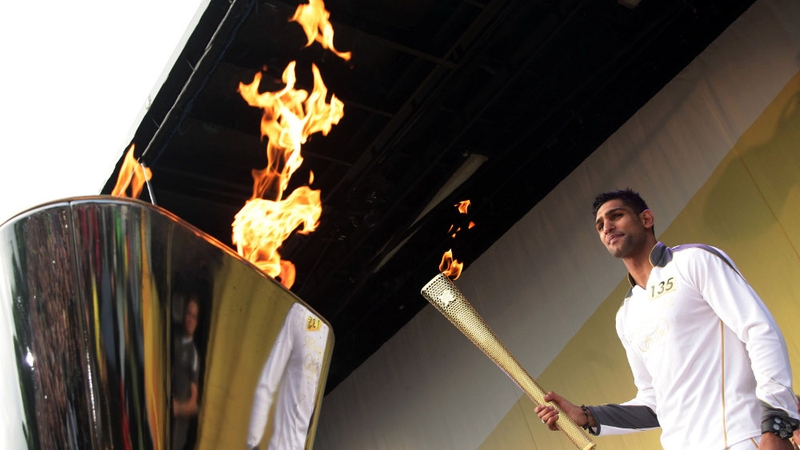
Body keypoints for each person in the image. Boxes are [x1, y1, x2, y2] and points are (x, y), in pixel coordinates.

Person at [536, 188, 799, 450]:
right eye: (600, 225)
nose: (607, 227)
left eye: (616, 215)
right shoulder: (625, 315)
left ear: (646, 219)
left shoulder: (694, 260)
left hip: (742, 436)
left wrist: (776, 424)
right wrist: (586, 416)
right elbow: (654, 403)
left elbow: (760, 332)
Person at [172, 295, 200, 450]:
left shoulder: (193, 355)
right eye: (189, 314)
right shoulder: (172, 339)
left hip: (176, 434)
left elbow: (193, 405)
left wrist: (177, 408)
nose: (190, 319)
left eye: (194, 317)